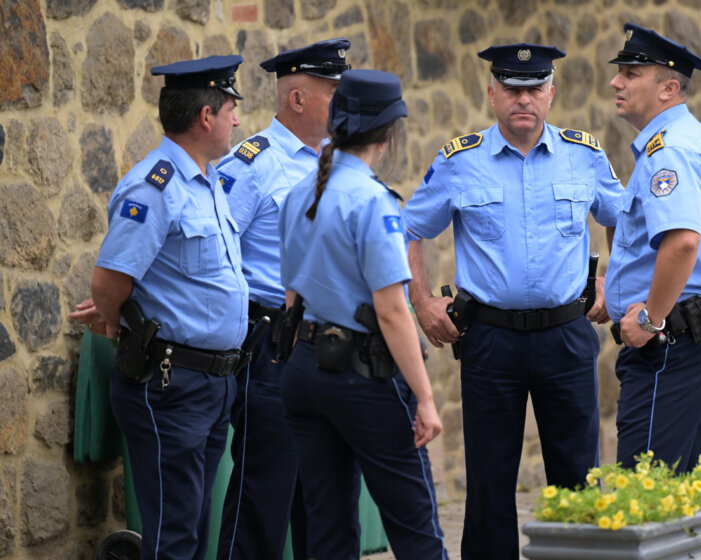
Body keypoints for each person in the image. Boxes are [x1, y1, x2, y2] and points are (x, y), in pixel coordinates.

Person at [402, 44, 621, 560]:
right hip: (490, 340)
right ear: (492, 93)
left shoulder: (583, 154)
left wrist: (616, 280)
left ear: (551, 93)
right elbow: (409, 228)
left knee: (578, 478)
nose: (524, 99)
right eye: (512, 89)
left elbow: (621, 216)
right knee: (489, 480)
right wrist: (421, 301)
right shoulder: (459, 161)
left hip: (566, 336)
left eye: (534, 88)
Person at [278, 69, 448, 560]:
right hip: (363, 376)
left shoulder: (301, 191)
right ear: (389, 132)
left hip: (305, 368)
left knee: (327, 527)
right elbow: (393, 312)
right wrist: (425, 398)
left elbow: (291, 294)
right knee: (415, 526)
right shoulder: (373, 201)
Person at [83, 55, 248, 560]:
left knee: (194, 527)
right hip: (169, 384)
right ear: (206, 116)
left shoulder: (209, 180)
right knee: (173, 536)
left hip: (213, 384)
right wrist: (121, 323)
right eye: (231, 109)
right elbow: (109, 281)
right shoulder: (155, 187)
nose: (237, 120)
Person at [213, 38, 351, 560]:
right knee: (263, 495)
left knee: (323, 498)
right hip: (273, 342)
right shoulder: (254, 164)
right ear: (297, 100)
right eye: (333, 91)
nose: (345, 102)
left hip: (331, 343)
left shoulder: (339, 162)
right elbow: (216, 250)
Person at [604, 23, 701, 473]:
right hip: (695, 329)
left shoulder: (670, 150)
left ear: (668, 88)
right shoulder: (687, 139)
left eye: (630, 73)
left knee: (643, 488)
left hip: (672, 340)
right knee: (689, 491)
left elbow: (683, 242)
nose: (616, 82)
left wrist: (648, 317)